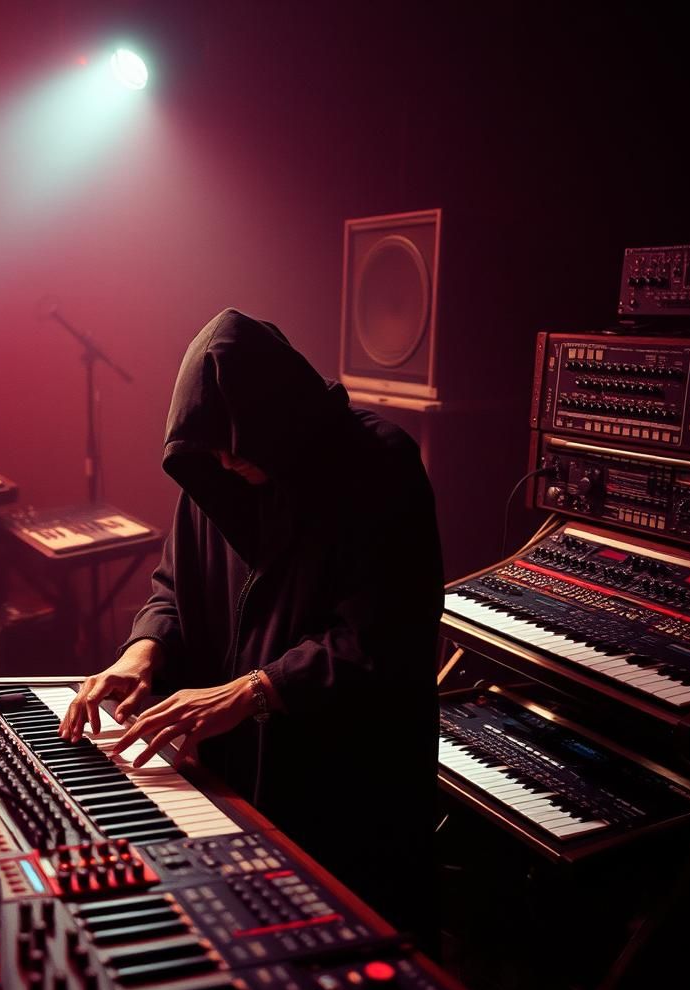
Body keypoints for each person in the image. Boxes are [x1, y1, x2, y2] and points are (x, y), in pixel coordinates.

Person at [60, 308, 444, 943]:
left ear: (282, 418)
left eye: (237, 443)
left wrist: (252, 689)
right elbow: (174, 588)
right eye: (209, 445)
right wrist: (143, 649)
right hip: (237, 780)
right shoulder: (215, 476)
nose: (223, 461)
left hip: (344, 793)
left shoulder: (380, 464)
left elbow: (382, 640)